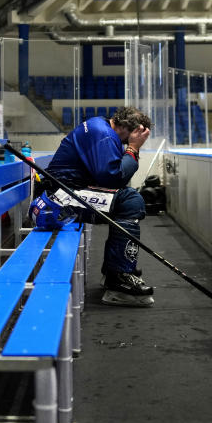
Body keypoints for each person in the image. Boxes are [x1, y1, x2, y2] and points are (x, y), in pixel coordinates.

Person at [43, 106, 155, 306]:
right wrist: (133, 149)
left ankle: (117, 268)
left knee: (128, 199)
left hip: (68, 191)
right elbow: (112, 178)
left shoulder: (100, 127)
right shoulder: (104, 134)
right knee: (130, 201)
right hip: (61, 198)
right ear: (132, 129)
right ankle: (118, 277)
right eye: (138, 135)